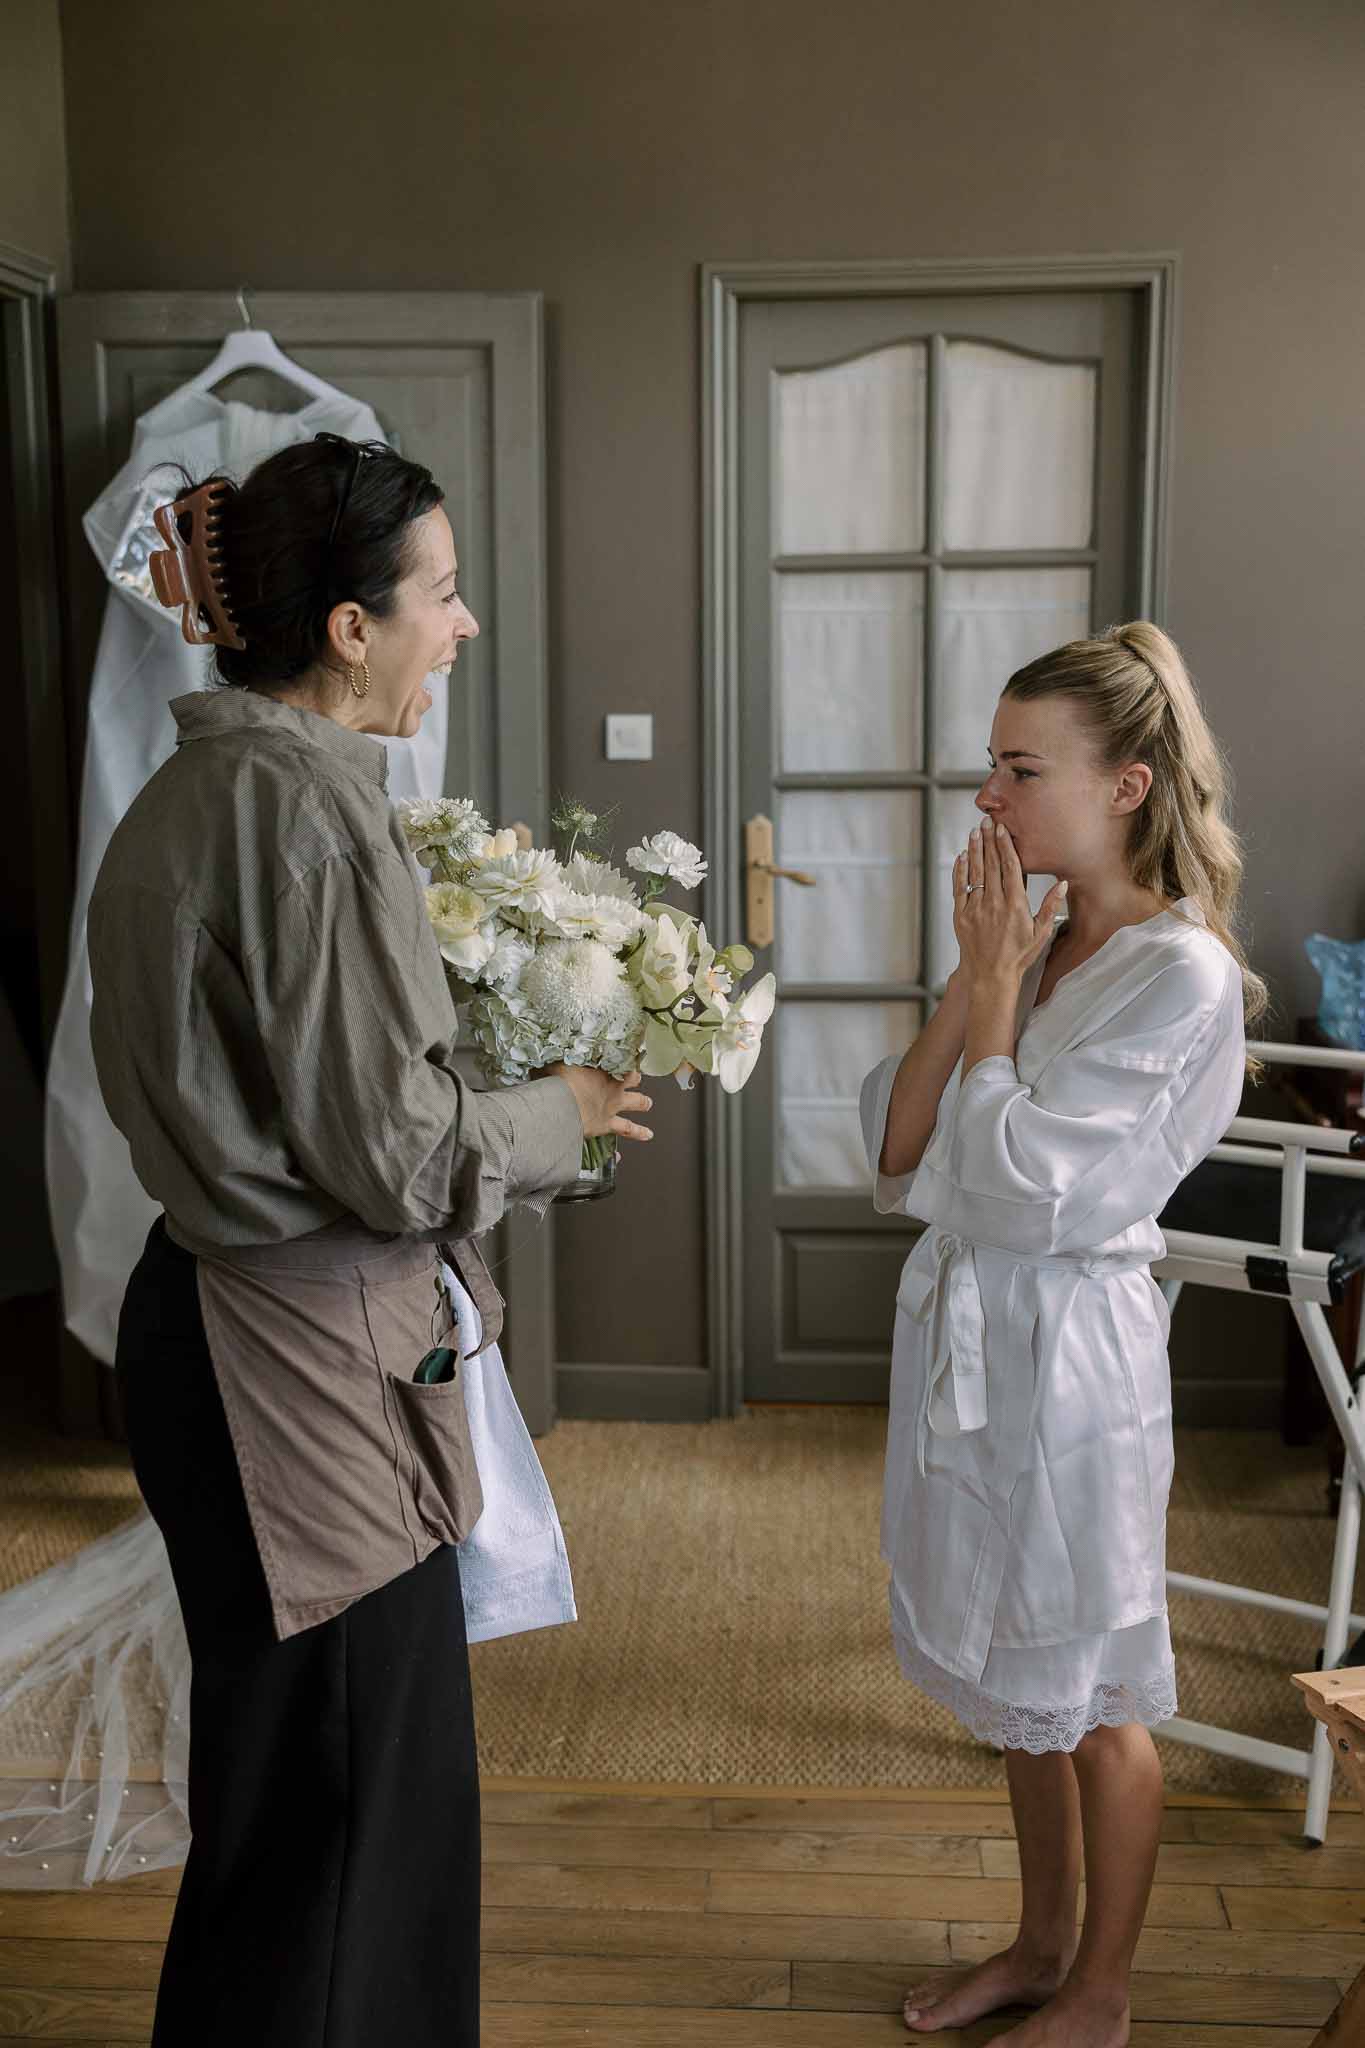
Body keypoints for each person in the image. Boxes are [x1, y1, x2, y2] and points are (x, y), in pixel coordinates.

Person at [87, 433, 653, 2047]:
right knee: (352, 1815)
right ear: (348, 627)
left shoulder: (202, 789)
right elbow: (399, 1157)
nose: (457, 628)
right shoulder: (305, 814)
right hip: (297, 1365)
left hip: (227, 1321)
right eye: (443, 594)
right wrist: (562, 1112)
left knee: (292, 1810)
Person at [859, 622, 1263, 2047]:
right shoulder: (1029, 936)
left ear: (1128, 787)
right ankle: (1035, 1947)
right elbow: (903, 1154)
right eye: (990, 767)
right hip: (969, 1334)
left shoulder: (1178, 976)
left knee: (1090, 1694)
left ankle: (1099, 1991)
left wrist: (988, 1009)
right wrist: (984, 983)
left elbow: (1029, 1192)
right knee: (1006, 1671)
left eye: (1019, 771)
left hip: (1069, 1355)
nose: (987, 800)